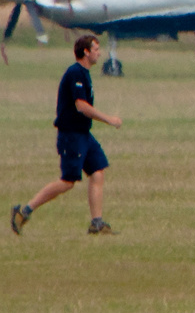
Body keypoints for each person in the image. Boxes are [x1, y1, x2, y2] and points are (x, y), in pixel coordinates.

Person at [10, 34, 123, 236]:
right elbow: (81, 106)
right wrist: (108, 119)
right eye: (96, 49)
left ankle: (97, 223)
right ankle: (24, 210)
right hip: (71, 135)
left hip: (84, 134)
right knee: (67, 182)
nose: (99, 53)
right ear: (85, 52)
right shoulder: (75, 73)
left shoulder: (84, 73)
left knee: (98, 171)